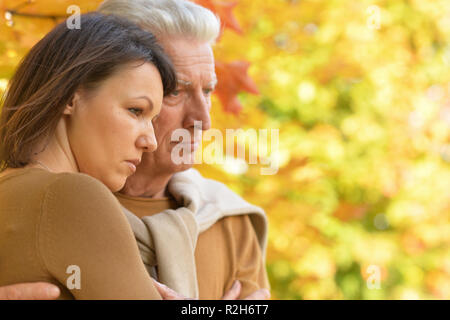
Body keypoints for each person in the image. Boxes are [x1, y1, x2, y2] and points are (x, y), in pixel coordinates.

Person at [0, 0, 271, 300]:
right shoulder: (74, 196)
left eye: (207, 91)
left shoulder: (230, 220)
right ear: (72, 96)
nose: (203, 120)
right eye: (175, 92)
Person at [0, 12, 177, 299]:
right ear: (70, 97)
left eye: (153, 120)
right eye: (135, 110)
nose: (151, 142)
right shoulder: (70, 195)